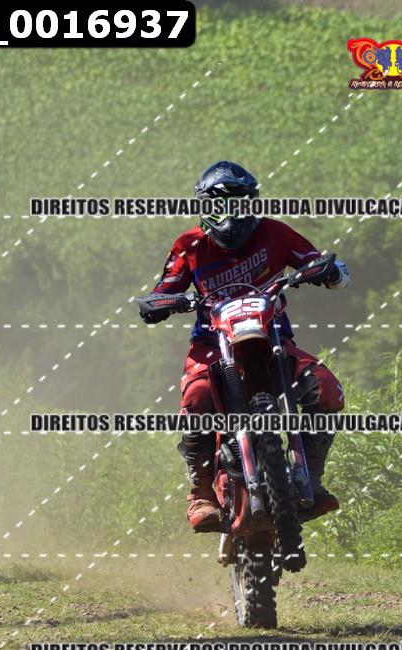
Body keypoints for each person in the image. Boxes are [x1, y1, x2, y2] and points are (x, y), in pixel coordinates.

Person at [140, 161, 350, 533]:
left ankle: (311, 479)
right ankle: (201, 493)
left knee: (327, 390)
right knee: (197, 399)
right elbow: (164, 289)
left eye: (237, 204)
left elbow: (320, 263)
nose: (229, 215)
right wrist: (159, 303)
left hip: (273, 341)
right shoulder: (189, 245)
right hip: (212, 345)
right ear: (204, 207)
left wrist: (330, 271)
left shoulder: (275, 232)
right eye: (219, 206)